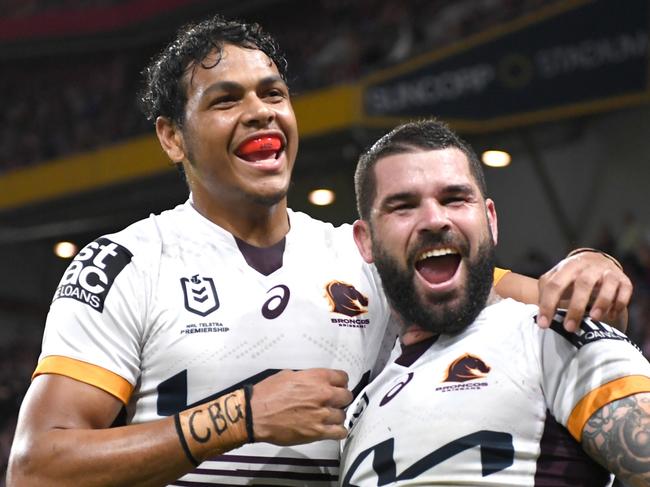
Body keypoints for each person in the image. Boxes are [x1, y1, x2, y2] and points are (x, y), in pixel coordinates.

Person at [6, 15, 632, 487]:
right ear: (172, 137)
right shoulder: (126, 264)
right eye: (226, 100)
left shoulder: (363, 259)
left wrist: (590, 263)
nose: (261, 113)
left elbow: (543, 297)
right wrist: (242, 416)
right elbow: (36, 467)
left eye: (273, 94)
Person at [340, 119, 650, 486]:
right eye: (403, 206)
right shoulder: (357, 411)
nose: (434, 219)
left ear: (490, 220)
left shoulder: (551, 338)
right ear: (366, 241)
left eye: (454, 198)